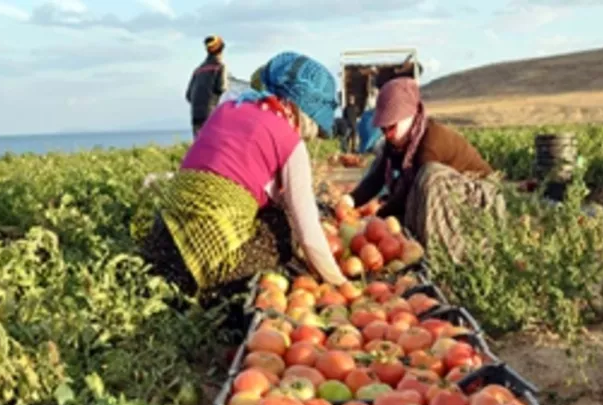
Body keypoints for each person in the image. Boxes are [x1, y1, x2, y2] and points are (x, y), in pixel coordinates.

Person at [144, 51, 351, 298]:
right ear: (305, 112)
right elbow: (308, 235)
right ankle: (221, 290)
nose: (310, 137)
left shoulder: (227, 109)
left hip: (164, 241)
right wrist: (341, 285)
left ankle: (177, 281)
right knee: (283, 225)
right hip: (210, 258)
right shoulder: (289, 140)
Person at [346, 77, 502, 261]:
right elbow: (376, 178)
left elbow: (411, 190)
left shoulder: (431, 141)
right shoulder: (396, 142)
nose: (387, 133)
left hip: (476, 198)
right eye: (383, 129)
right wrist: (349, 202)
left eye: (392, 126)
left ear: (410, 116)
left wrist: (378, 219)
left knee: (429, 176)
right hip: (443, 194)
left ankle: (448, 255)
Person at [186, 35, 228, 139]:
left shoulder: (198, 70)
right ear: (221, 49)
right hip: (211, 115)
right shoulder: (220, 67)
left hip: (196, 115)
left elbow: (188, 96)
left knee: (199, 146)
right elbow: (222, 88)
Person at [356, 88, 382, 154]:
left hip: (376, 145)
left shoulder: (381, 114)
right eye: (371, 95)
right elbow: (360, 131)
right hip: (367, 147)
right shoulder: (366, 115)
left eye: (373, 95)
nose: (370, 98)